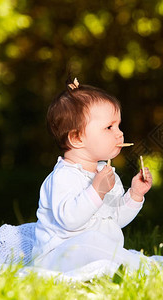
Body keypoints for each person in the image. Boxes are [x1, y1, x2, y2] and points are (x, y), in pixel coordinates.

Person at [32, 78, 152, 272]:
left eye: (118, 126)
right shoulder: (63, 177)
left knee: (102, 244)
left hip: (96, 254)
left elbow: (114, 221)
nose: (120, 134)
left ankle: (120, 266)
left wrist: (135, 195)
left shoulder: (106, 174)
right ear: (77, 138)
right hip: (58, 257)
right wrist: (96, 192)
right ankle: (131, 267)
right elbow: (69, 220)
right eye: (109, 127)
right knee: (92, 240)